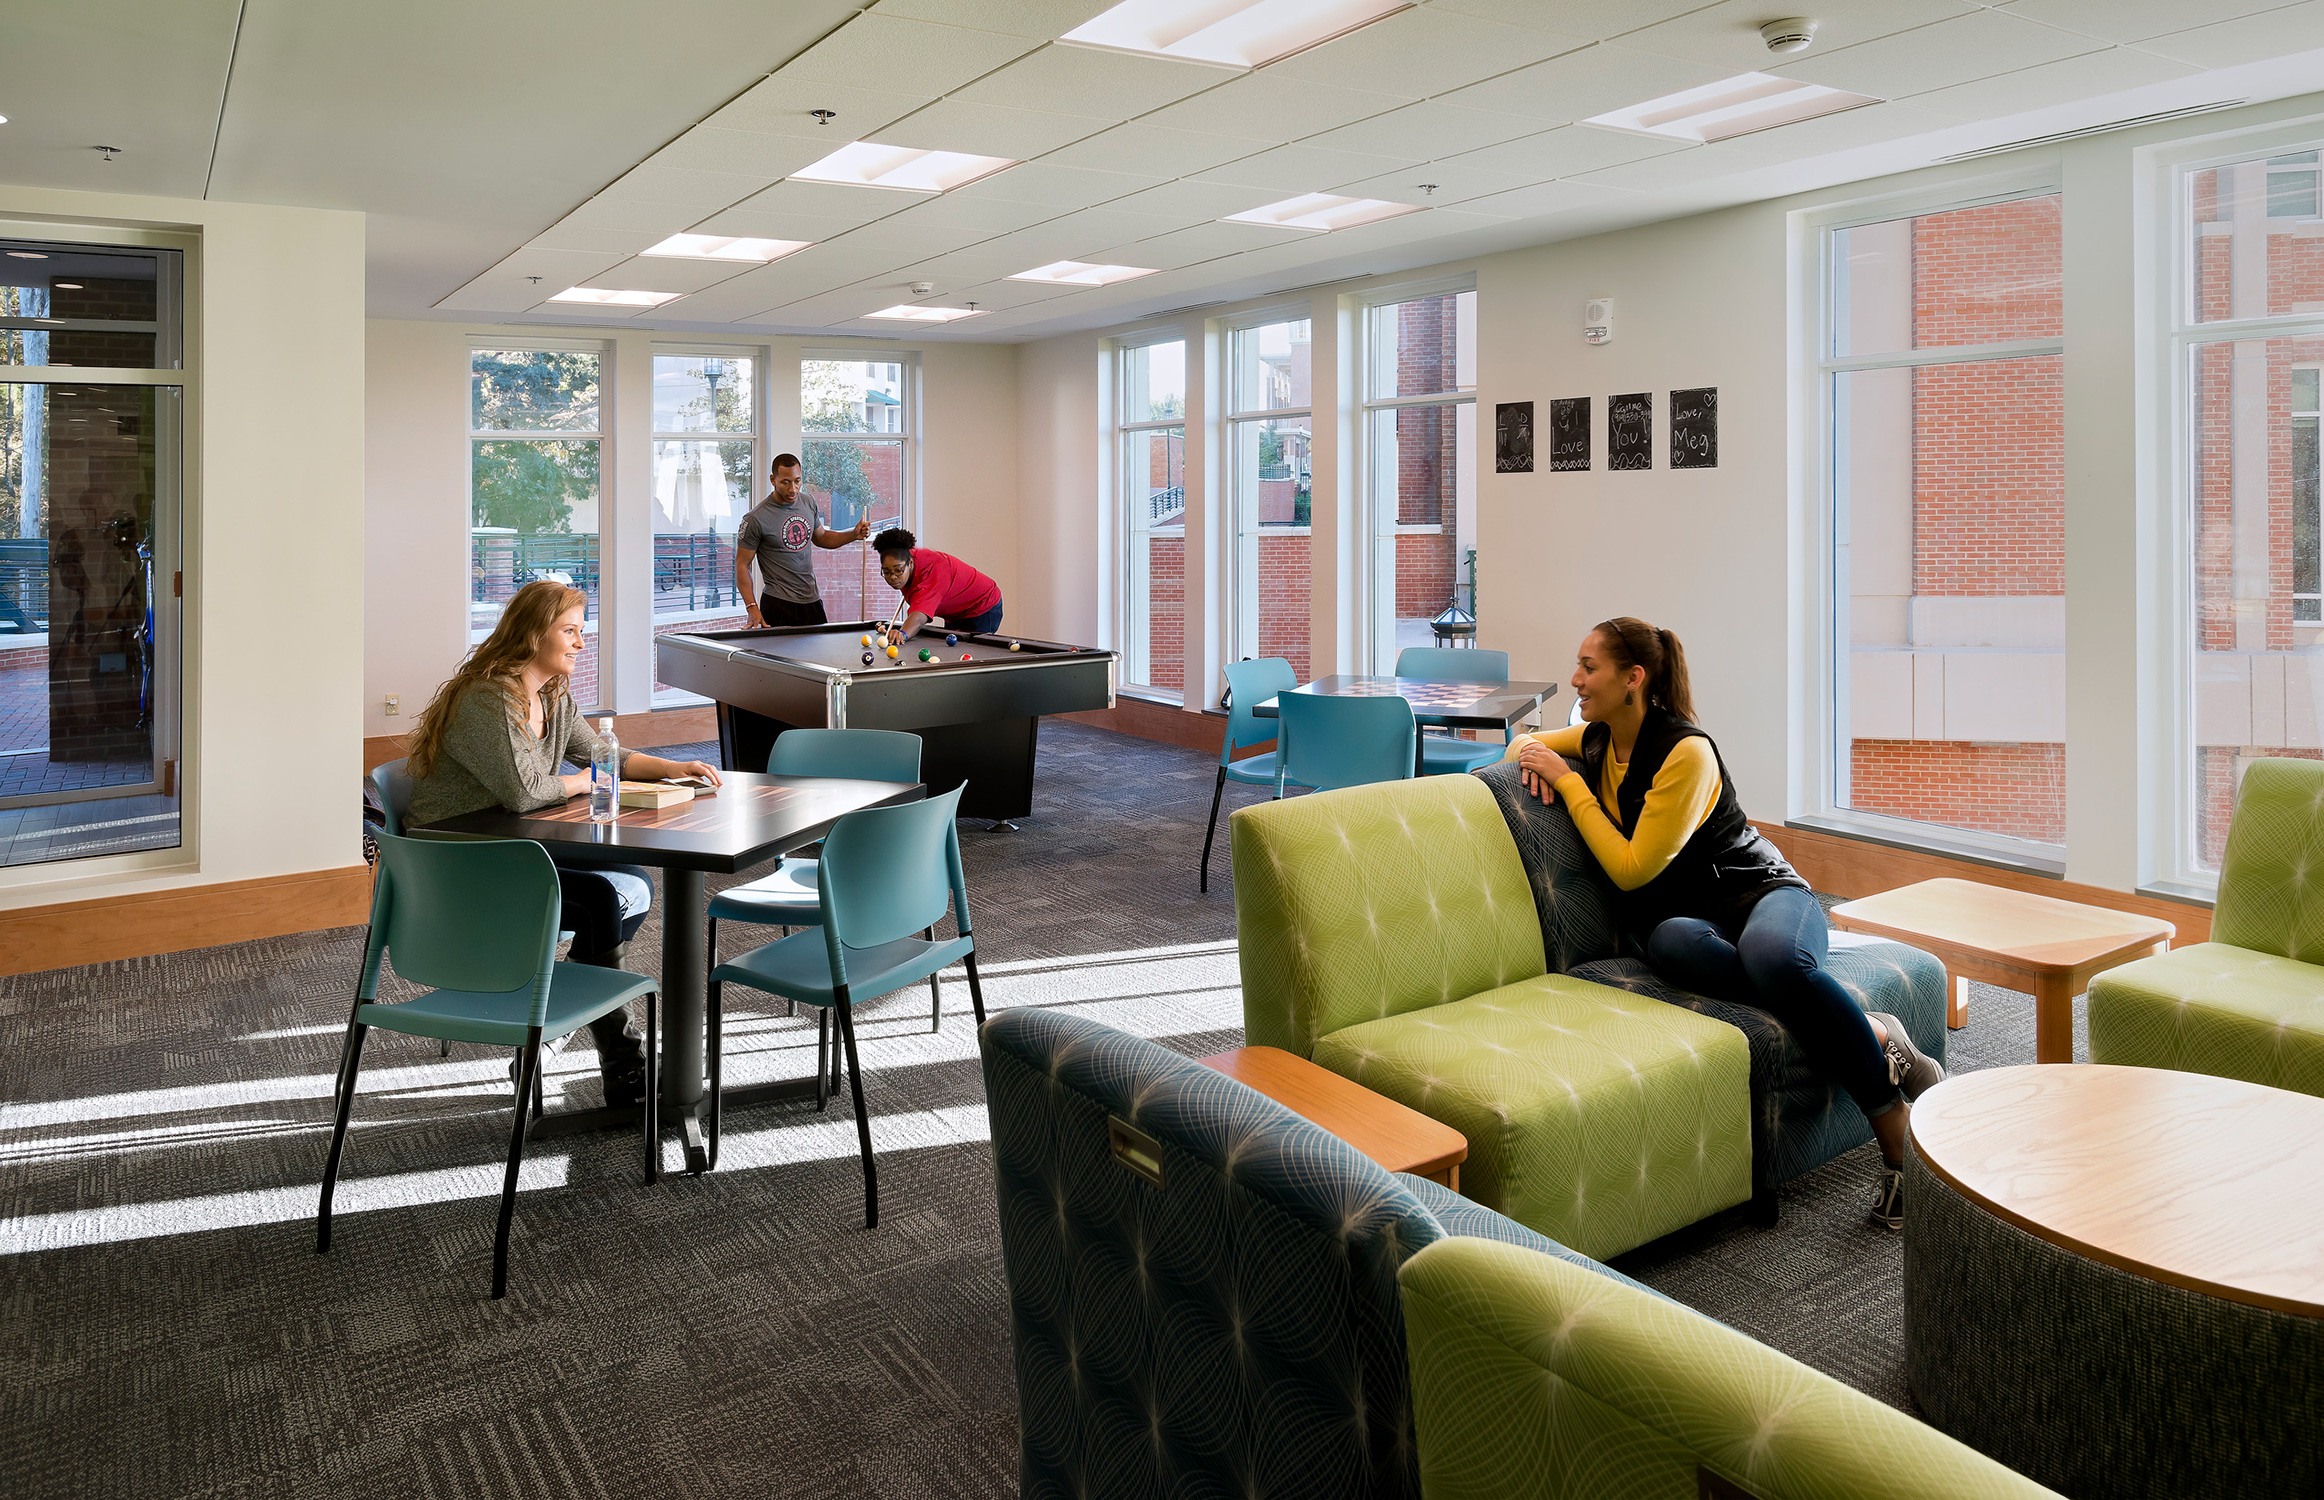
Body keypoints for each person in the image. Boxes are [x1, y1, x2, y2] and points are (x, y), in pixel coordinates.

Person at [1500, 617, 1942, 1230]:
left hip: (1762, 894)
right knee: (1669, 942)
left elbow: (1631, 869)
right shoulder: (1598, 738)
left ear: (1634, 678)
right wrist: (1533, 758)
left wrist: (1568, 783)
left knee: (1774, 961)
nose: (1574, 679)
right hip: (1695, 921)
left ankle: (1891, 1122)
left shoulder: (1685, 751)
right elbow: (1519, 744)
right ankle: (1870, 1032)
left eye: (1589, 666)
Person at [404, 580, 722, 1106]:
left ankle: (560, 1029)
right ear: (532, 635)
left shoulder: (550, 693)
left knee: (631, 884)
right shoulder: (488, 697)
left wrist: (673, 768)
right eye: (570, 631)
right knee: (600, 898)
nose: (580, 642)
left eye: (581, 631)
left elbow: (602, 753)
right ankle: (624, 1067)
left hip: (514, 847)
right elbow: (527, 792)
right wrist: (585, 782)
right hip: (461, 864)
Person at [735, 452, 872, 628]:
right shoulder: (755, 518)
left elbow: (821, 537)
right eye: (785, 482)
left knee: (819, 655)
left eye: (797, 481)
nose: (793, 489)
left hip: (811, 599)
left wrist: (853, 534)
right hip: (778, 602)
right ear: (773, 480)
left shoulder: (808, 502)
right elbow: (741, 565)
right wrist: (752, 607)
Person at [872, 527, 1003, 644]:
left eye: (898, 570)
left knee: (967, 661)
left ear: (910, 563)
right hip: (955, 614)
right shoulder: (903, 554)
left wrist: (903, 634)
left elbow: (919, 618)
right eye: (887, 572)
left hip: (983, 606)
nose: (893, 577)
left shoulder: (931, 573)